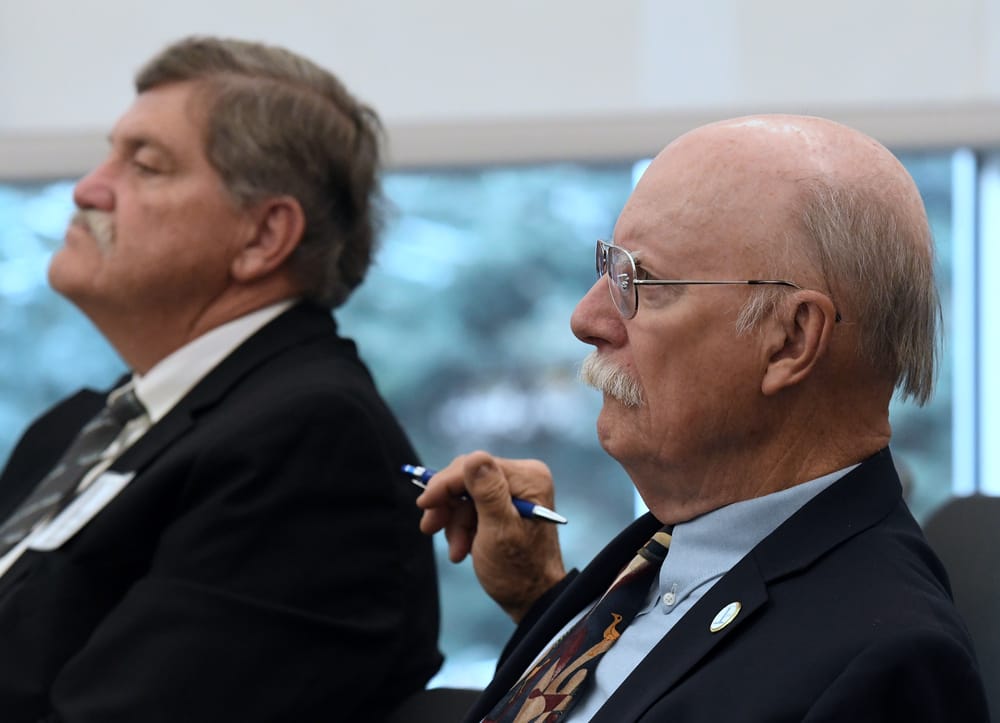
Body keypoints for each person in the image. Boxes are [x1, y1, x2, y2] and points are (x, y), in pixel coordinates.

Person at [418, 114, 990, 721]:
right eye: (610, 269)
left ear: (791, 339)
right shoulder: (668, 549)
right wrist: (545, 606)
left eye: (643, 282)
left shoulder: (885, 664)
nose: (587, 319)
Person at [0, 36, 441, 722]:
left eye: (144, 164)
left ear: (263, 237)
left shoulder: (309, 442)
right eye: (109, 153)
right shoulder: (78, 424)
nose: (88, 188)